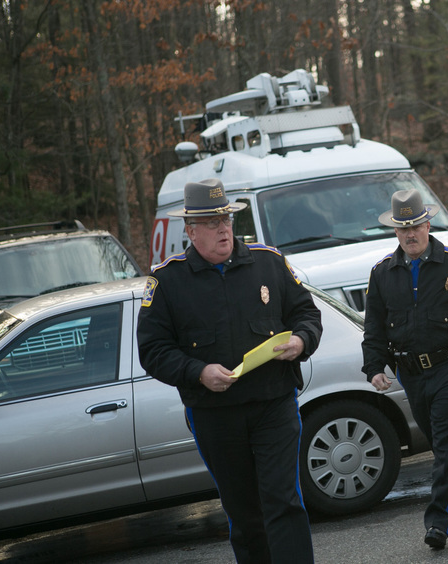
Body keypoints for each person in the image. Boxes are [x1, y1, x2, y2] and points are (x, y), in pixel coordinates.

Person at [136, 178, 322, 563]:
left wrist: (302, 341)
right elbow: (152, 351)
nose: (223, 228)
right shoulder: (167, 281)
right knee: (243, 510)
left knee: (283, 500)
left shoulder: (269, 262)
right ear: (190, 231)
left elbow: (308, 313)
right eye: (211, 222)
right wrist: (198, 371)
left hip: (274, 403)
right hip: (215, 414)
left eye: (226, 219)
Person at [361, 189, 448, 549]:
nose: (410, 234)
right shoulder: (382, 274)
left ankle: (439, 519)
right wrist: (374, 366)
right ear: (395, 232)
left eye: (416, 226)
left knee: (444, 448)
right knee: (446, 444)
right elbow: (375, 328)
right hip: (411, 374)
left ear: (428, 224)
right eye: (403, 228)